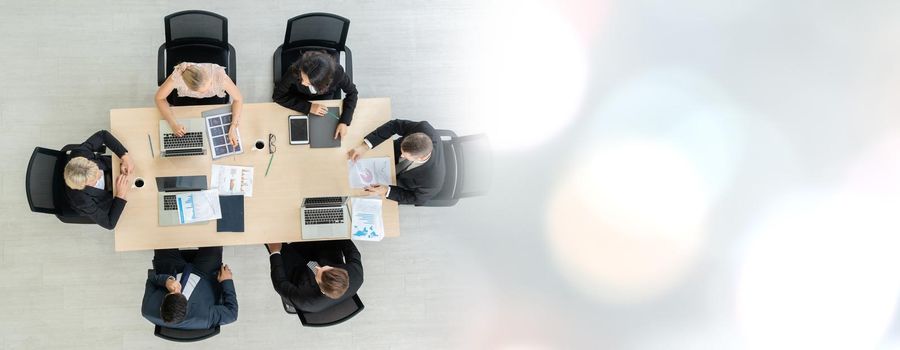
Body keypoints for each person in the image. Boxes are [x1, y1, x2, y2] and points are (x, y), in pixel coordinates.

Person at [347, 119, 446, 205]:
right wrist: (365, 146)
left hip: (396, 183)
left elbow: (416, 199)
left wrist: (387, 191)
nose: (401, 156)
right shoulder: (423, 128)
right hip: (386, 156)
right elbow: (394, 125)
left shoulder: (433, 181)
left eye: (405, 156)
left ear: (420, 158)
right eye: (402, 151)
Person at [141, 247, 238, 329]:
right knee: (213, 242)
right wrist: (227, 281)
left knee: (163, 238)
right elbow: (232, 314)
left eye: (171, 293)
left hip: (171, 270)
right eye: (179, 292)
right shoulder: (204, 316)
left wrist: (166, 281)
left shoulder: (148, 310)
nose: (177, 289)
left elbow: (151, 279)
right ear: (188, 307)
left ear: (161, 306)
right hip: (205, 274)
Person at [272, 50, 358, 140]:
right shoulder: (296, 70)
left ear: (322, 84)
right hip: (299, 97)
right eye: (302, 77)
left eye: (309, 83)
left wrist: (344, 121)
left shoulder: (337, 73)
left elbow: (352, 93)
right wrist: (308, 107)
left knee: (323, 134)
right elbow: (278, 96)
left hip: (324, 98)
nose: (302, 83)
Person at [155, 62, 244, 146]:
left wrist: (233, 126)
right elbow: (159, 98)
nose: (203, 93)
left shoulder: (219, 76)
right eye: (200, 92)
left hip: (213, 101)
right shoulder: (179, 75)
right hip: (187, 102)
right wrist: (173, 124)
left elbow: (238, 99)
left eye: (209, 86)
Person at [265, 240, 363, 313]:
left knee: (279, 246)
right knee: (327, 239)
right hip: (324, 260)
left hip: (300, 276)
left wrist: (275, 252)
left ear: (322, 290)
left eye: (318, 273)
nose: (318, 268)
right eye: (326, 268)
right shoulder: (356, 275)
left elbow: (280, 283)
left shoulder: (305, 301)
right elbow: (351, 250)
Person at [63, 130, 134, 229]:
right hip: (110, 195)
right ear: (83, 186)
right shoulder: (81, 200)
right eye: (95, 180)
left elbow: (103, 134)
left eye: (96, 170)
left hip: (115, 169)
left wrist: (124, 156)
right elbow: (109, 224)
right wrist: (120, 195)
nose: (100, 175)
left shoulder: (80, 153)